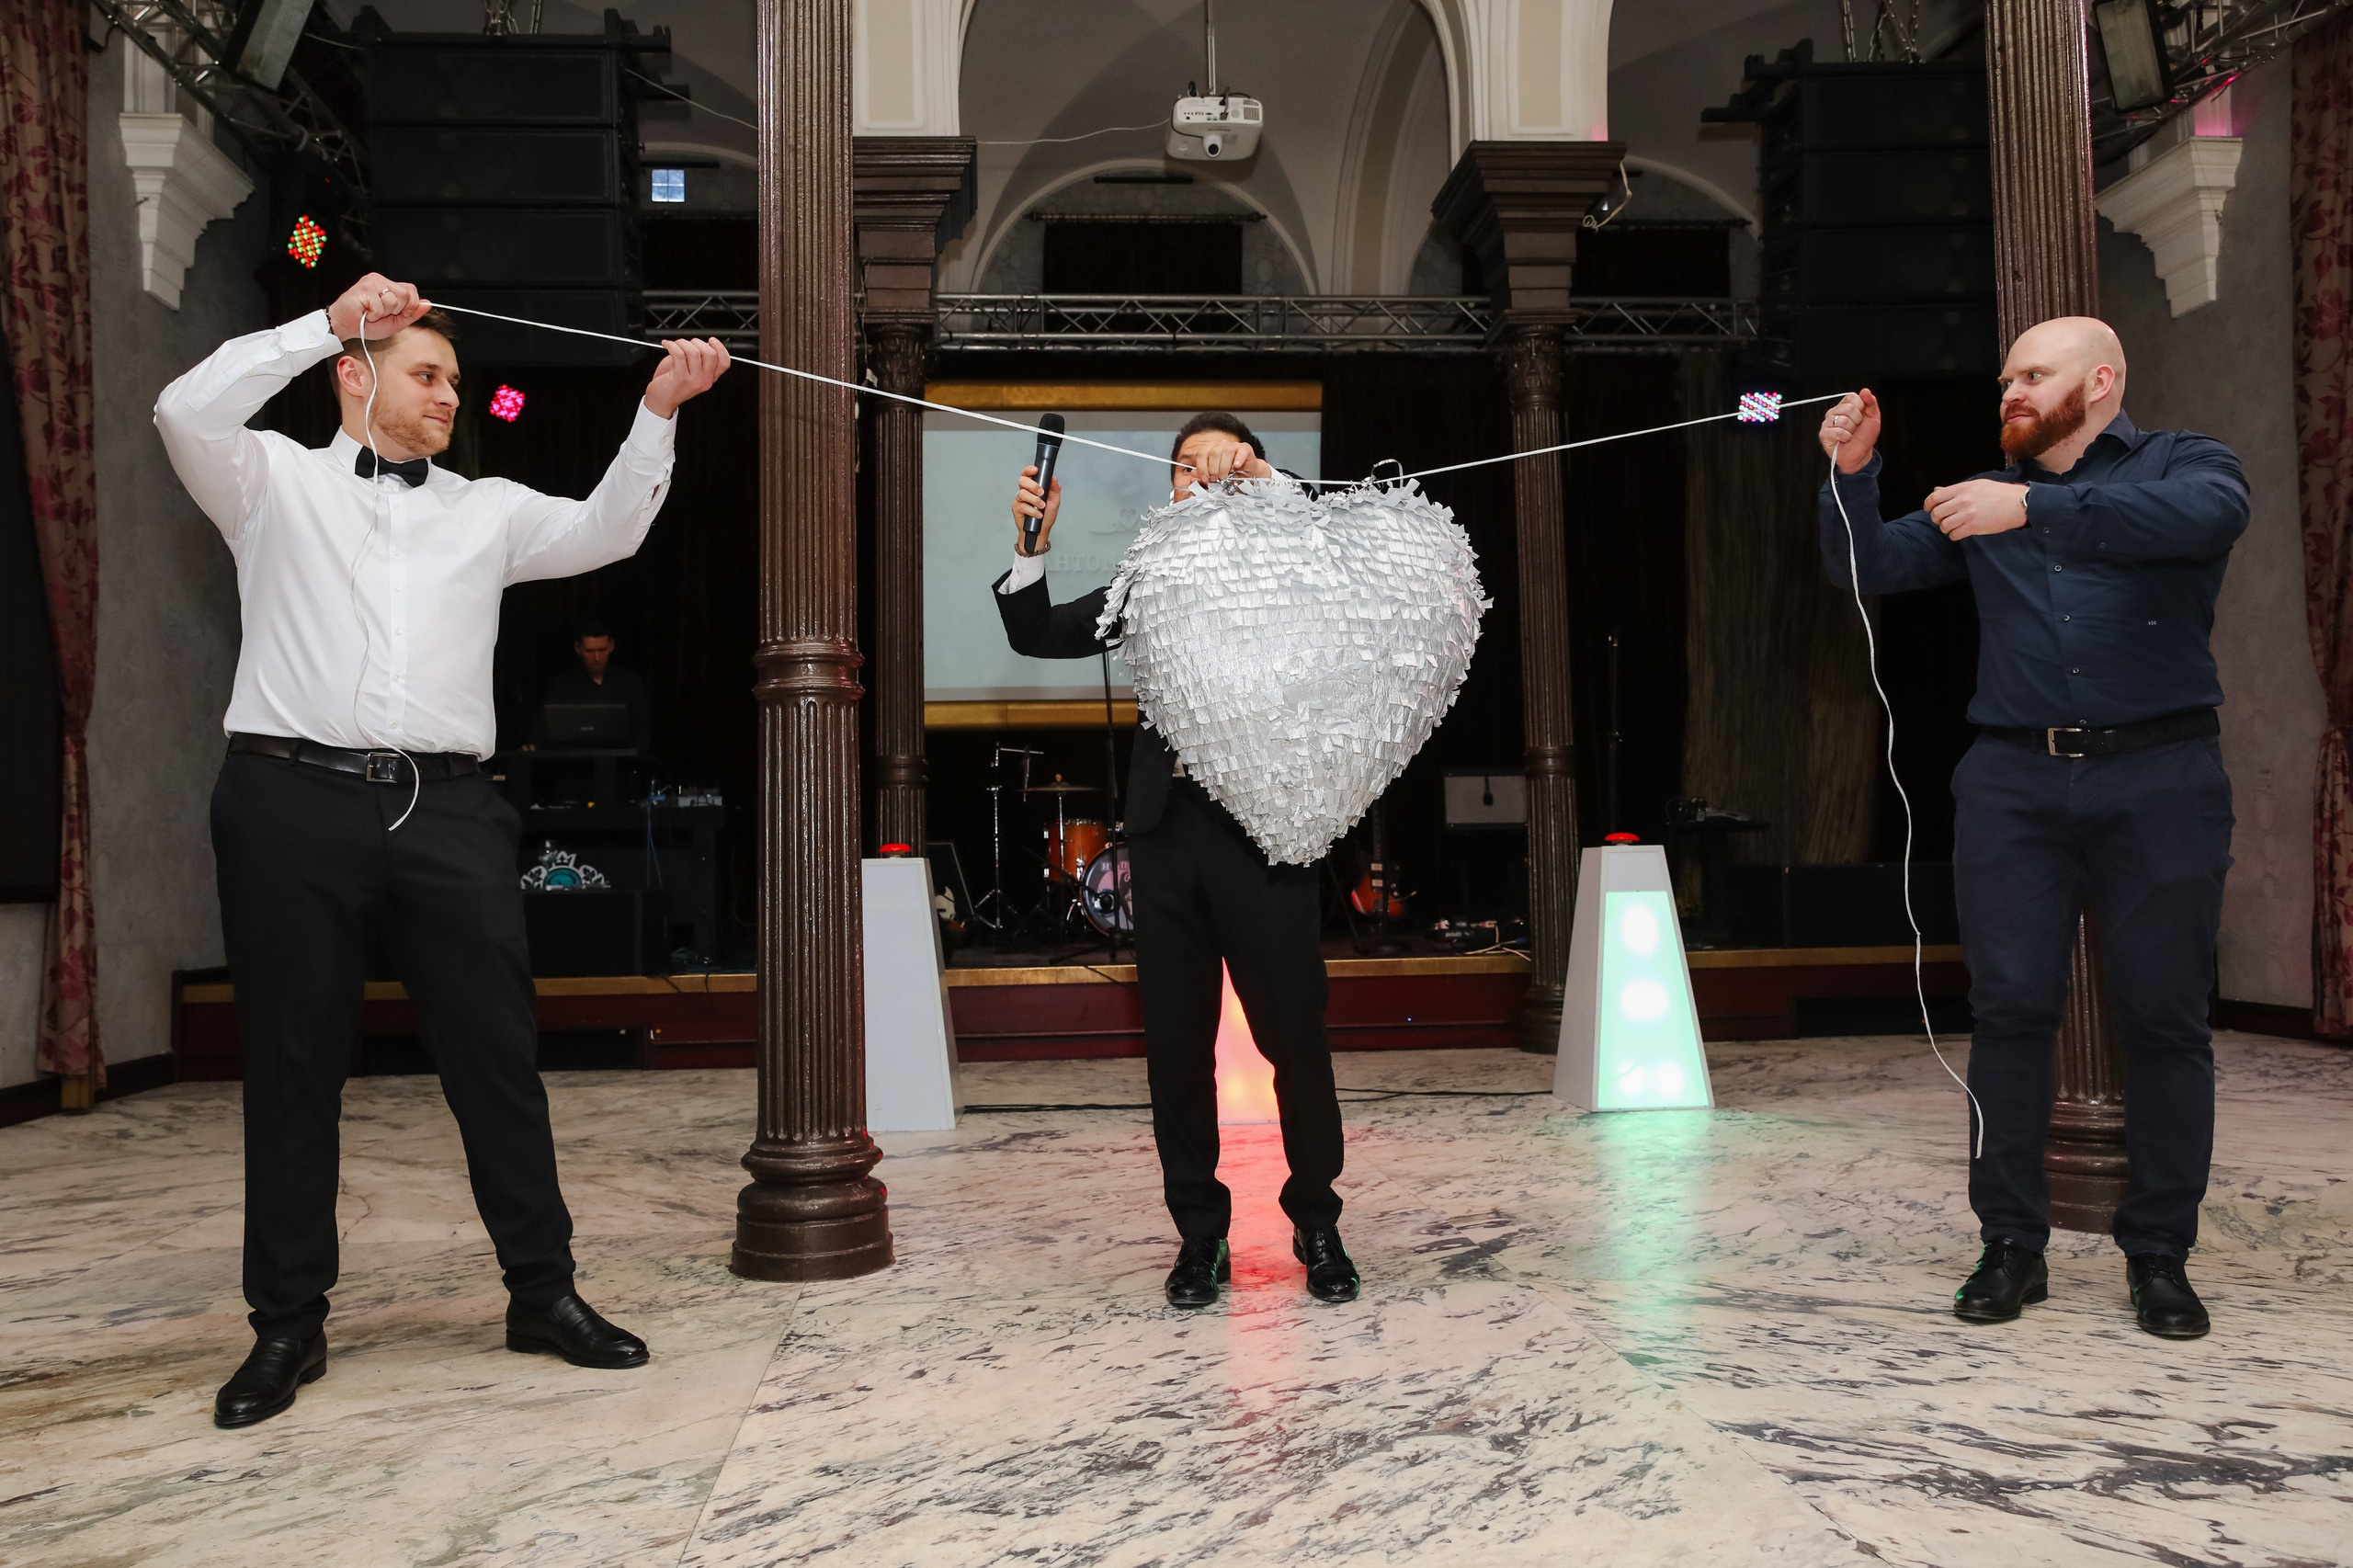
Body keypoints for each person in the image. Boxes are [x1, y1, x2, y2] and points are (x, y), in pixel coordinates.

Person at [155, 273, 730, 1427]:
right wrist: (322, 320)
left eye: (457, 384)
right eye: (427, 375)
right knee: (291, 1064)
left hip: (452, 808)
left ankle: (542, 1291)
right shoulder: (270, 480)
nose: (449, 399)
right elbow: (185, 409)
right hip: (288, 800)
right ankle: (285, 1324)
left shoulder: (486, 507)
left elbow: (606, 527)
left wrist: (659, 408)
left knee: (496, 1059)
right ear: (354, 377)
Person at [1817, 316, 2245, 1340]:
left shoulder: (2184, 462)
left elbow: (2202, 518)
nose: (2008, 388)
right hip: (2013, 778)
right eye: (2005, 374)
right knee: (2009, 1013)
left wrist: (2035, 510)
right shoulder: (1978, 498)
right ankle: (2011, 1241)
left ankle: (2159, 1254)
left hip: (2162, 775)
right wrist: (1853, 470)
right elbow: (1863, 563)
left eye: (2032, 373)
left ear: (2099, 381)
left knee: (2164, 1019)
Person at [996, 413, 1358, 1309]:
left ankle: (1316, 1218)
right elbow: (1037, 631)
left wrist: (1259, 478)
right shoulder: (1148, 576)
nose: (1196, 483)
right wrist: (1030, 546)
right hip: (1164, 840)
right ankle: (1200, 1237)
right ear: (1168, 494)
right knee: (1174, 1050)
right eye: (1181, 473)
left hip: (1263, 837)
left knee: (1295, 1039)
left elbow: (1327, 547)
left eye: (1216, 467)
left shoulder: (1287, 568)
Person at [539, 618, 653, 754]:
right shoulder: (562, 685)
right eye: (590, 651)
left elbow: (643, 730)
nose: (597, 657)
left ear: (611, 646)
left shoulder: (630, 683)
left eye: (602, 650)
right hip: (574, 764)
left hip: (620, 766)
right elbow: (545, 726)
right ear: (578, 648)